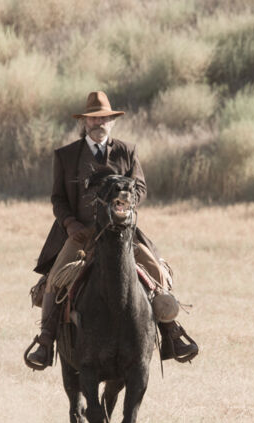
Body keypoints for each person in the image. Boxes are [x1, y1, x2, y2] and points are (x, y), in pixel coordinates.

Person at [25, 91, 198, 369]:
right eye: (94, 119)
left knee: (156, 273)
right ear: (85, 122)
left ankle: (171, 332)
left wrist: (126, 206)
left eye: (105, 118)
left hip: (122, 234)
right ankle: (45, 342)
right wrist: (71, 225)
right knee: (56, 279)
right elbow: (58, 199)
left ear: (112, 121)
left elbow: (140, 187)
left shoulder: (127, 151)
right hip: (81, 236)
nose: (99, 123)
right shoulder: (66, 155)